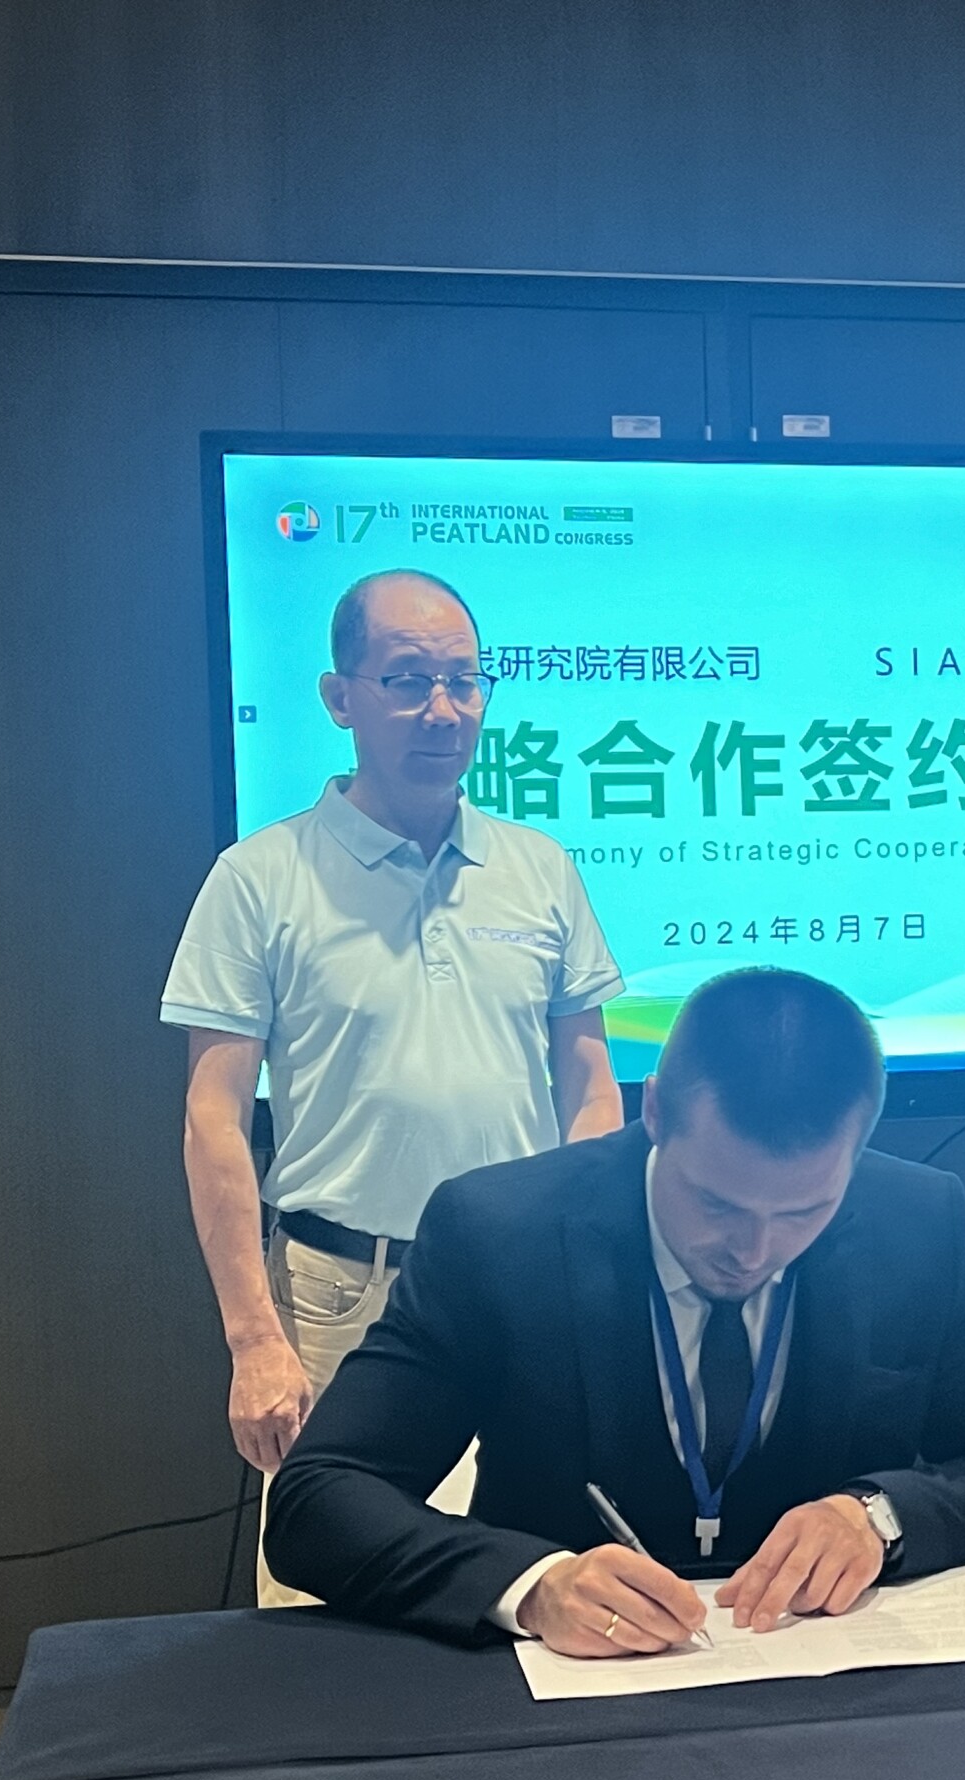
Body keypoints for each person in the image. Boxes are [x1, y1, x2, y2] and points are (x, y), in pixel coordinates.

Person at [264, 967, 965, 1652]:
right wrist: (533, 1584)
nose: (753, 1250)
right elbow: (320, 1498)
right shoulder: (502, 1233)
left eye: (802, 1214)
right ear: (654, 1111)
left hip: (826, 1685)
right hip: (577, 1701)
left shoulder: (917, 1221)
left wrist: (880, 1517)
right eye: (717, 1204)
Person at [164, 568, 624, 1604]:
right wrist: (253, 1343)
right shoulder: (259, 878)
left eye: (464, 681)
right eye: (408, 680)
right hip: (341, 1298)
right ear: (340, 699)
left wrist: (594, 1267)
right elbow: (212, 1121)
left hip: (524, 1295)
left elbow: (589, 1079)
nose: (442, 710)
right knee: (334, 1613)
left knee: (541, 1593)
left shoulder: (538, 868)